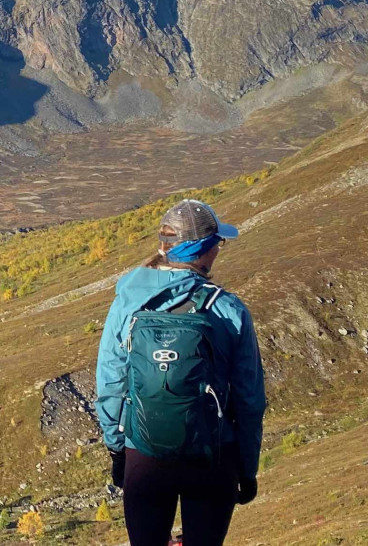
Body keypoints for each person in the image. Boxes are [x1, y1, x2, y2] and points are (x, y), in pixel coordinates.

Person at [96, 199, 267, 546]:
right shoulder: (228, 309)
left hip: (144, 453)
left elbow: (110, 382)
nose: (219, 249)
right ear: (203, 251)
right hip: (213, 455)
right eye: (218, 242)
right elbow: (249, 400)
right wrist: (247, 469)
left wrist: (118, 450)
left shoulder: (126, 302)